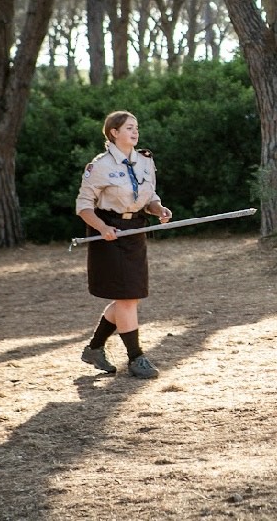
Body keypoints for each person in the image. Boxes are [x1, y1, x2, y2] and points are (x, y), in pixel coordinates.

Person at [75, 110, 172, 379]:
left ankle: (94, 348)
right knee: (127, 298)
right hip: (109, 233)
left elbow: (149, 195)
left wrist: (158, 208)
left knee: (128, 297)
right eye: (129, 127)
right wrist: (103, 228)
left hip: (135, 231)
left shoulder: (144, 161)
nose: (135, 131)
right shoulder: (100, 166)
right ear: (113, 133)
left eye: (136, 127)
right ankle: (136, 357)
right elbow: (83, 206)